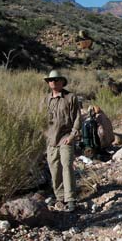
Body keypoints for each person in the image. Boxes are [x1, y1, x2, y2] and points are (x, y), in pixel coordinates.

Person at [44, 70, 81, 212]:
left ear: (62, 82)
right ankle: (60, 196)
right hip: (51, 140)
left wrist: (72, 136)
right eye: (50, 80)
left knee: (67, 167)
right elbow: (41, 119)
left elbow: (77, 117)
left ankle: (70, 198)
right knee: (54, 169)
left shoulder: (70, 97)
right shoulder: (46, 99)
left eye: (55, 79)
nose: (52, 82)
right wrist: (44, 134)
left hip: (66, 138)